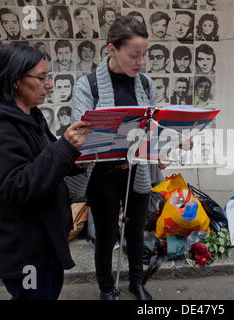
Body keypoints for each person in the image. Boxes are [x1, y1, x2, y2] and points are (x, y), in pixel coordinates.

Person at [0, 43, 92, 300]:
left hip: (45, 242)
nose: (50, 85)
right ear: (15, 81)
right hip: (24, 250)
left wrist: (76, 160)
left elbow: (43, 162)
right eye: (42, 78)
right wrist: (65, 148)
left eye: (48, 77)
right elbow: (17, 185)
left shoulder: (30, 115)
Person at [71, 15, 164, 301]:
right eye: (134, 55)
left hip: (137, 170)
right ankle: (106, 289)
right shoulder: (88, 86)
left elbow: (153, 127)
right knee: (107, 236)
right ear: (112, 49)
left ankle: (136, 282)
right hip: (102, 175)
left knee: (137, 232)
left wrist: (165, 142)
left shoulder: (145, 84)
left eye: (144, 54)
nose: (140, 62)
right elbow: (80, 134)